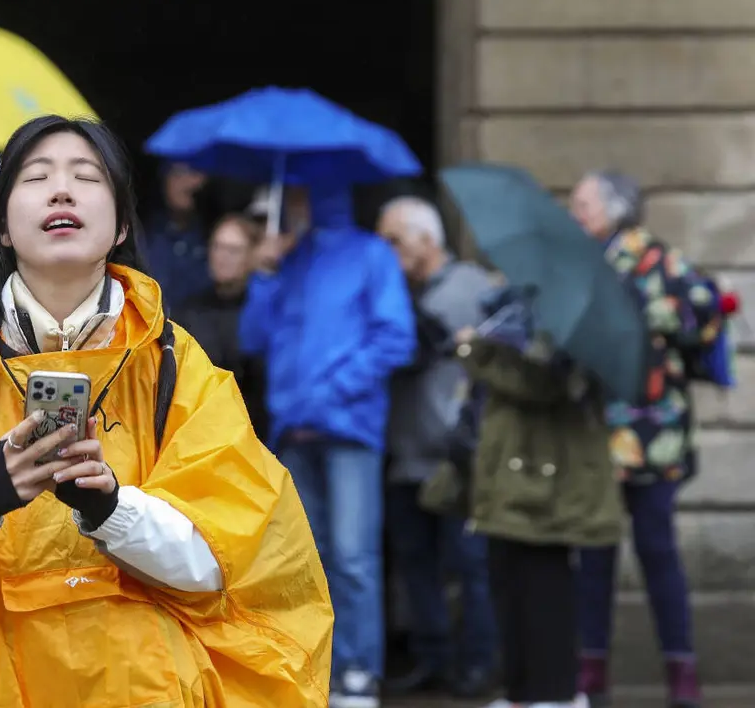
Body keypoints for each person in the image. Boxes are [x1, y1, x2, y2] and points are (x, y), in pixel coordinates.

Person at [0, 115, 333, 708]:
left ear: (119, 227)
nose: (61, 190)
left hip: (144, 686)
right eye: (36, 177)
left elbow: (228, 563)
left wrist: (112, 507)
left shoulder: (176, 364)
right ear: (3, 227)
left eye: (86, 177)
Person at [240, 182, 415, 707]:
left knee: (354, 556)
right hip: (296, 430)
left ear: (320, 196)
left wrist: (330, 390)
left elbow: (396, 337)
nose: (289, 205)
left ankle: (360, 670)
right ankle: (319, 666)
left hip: (346, 429)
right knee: (307, 560)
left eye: (296, 195)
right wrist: (264, 273)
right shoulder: (289, 260)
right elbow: (253, 338)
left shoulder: (371, 254)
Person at [570, 171, 722, 708]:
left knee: (658, 552)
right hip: (596, 435)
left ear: (615, 208)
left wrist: (647, 313)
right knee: (593, 556)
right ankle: (590, 674)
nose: (574, 211)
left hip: (654, 434)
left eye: (583, 202)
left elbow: (707, 311)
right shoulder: (583, 266)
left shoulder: (660, 261)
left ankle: (682, 673)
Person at [449, 288, 623, 708]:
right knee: (509, 585)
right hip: (511, 470)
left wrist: (477, 350)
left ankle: (556, 694)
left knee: (545, 591)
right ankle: (522, 694)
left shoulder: (578, 322)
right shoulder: (523, 307)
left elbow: (543, 382)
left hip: (547, 478)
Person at [376, 196, 497, 698]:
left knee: (471, 566)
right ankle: (432, 660)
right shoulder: (390, 289)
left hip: (457, 455)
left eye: (395, 240)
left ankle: (479, 665)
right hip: (404, 451)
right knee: (415, 565)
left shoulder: (473, 287)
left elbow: (500, 357)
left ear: (428, 239)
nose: (386, 250)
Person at [174, 212, 269, 440]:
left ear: (251, 257)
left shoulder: (265, 309)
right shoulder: (189, 310)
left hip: (254, 434)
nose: (223, 257)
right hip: (200, 432)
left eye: (233, 250)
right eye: (217, 247)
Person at [142, 161, 211, 315]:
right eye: (178, 174)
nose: (187, 183)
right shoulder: (143, 234)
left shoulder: (211, 236)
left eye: (195, 173)